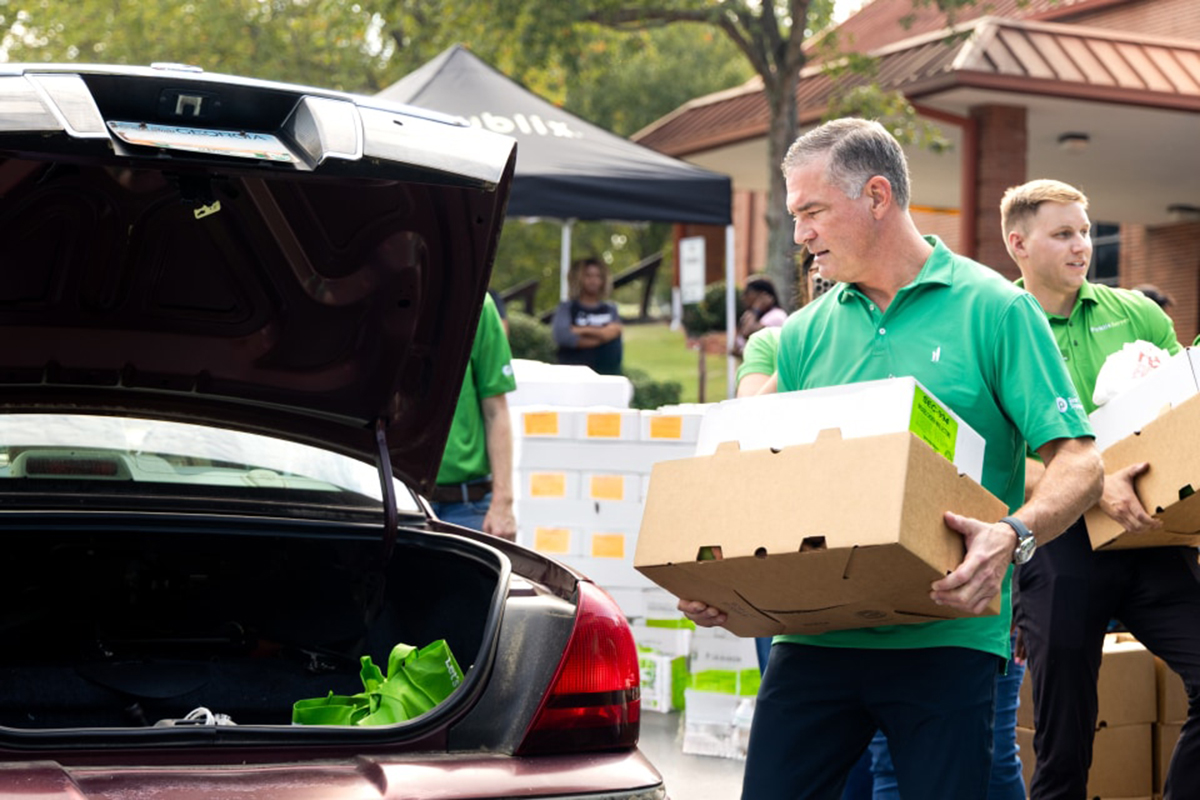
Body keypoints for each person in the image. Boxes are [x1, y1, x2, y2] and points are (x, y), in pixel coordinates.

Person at [679, 118, 1104, 800]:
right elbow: (769, 479)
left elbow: (1080, 462)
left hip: (945, 637)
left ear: (876, 196)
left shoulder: (994, 310)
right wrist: (728, 579)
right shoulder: (806, 334)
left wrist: (1014, 535)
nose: (800, 235)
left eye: (812, 211)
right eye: (794, 216)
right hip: (815, 642)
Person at [1000, 178, 1200, 800]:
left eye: (1085, 231)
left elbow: (1180, 408)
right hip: (1060, 547)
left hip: (1150, 533)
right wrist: (1091, 488)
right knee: (1066, 740)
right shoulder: (997, 323)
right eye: (1063, 233)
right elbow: (992, 461)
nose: (1082, 245)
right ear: (1019, 244)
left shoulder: (1135, 312)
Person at [430, 292, 517, 539]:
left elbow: (496, 411)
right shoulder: (377, 291)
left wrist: (503, 502)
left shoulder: (478, 304)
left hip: (466, 506)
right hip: (393, 501)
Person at [551, 256, 623, 375]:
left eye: (598, 276)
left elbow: (614, 331)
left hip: (607, 375)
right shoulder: (567, 308)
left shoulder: (610, 308)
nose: (593, 280)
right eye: (588, 276)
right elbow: (563, 337)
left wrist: (580, 330)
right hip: (574, 375)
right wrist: (603, 337)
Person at [736, 275, 788, 354]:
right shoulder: (752, 316)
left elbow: (748, 334)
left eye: (747, 293)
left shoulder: (776, 316)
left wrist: (756, 308)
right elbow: (735, 348)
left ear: (762, 295)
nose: (743, 297)